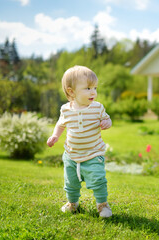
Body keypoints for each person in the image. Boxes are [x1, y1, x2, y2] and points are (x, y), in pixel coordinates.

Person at [47, 65, 112, 218]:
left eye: (95, 88)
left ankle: (102, 205)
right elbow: (60, 124)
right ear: (71, 91)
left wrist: (107, 123)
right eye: (88, 88)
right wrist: (55, 135)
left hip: (93, 153)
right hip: (71, 155)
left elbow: (107, 119)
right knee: (70, 183)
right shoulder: (66, 109)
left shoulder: (97, 108)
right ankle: (72, 203)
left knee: (98, 180)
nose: (93, 92)